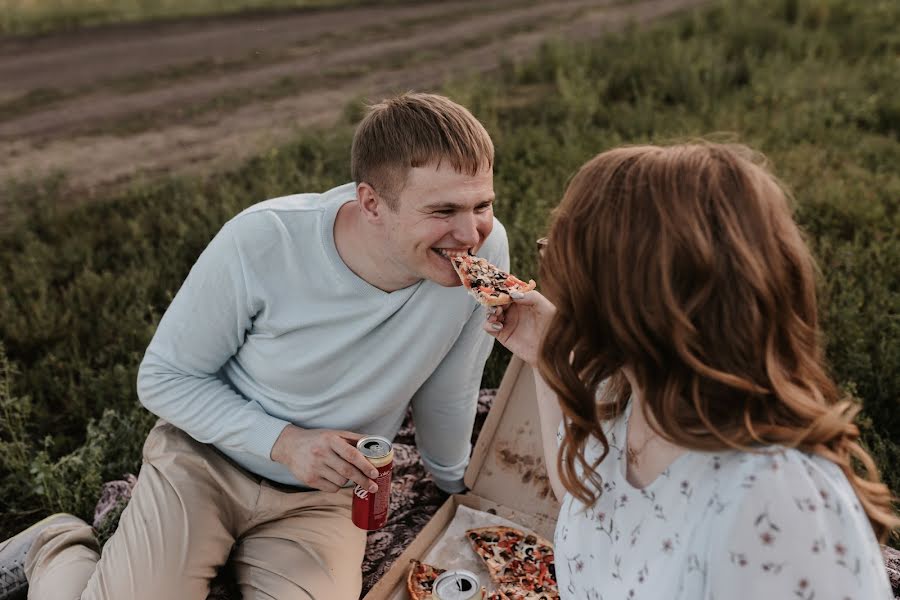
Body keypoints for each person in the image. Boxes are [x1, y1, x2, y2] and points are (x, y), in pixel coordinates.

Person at [0, 92, 508, 600]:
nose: (469, 232)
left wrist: (454, 489)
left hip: (325, 497)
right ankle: (54, 544)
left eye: (481, 204)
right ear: (371, 202)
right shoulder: (263, 241)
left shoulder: (483, 250)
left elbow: (452, 386)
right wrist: (285, 442)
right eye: (442, 210)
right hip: (205, 461)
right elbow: (163, 378)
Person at [485, 142, 897, 599]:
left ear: (638, 302)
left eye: (566, 262)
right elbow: (592, 513)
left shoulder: (774, 502)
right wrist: (547, 355)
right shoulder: (633, 392)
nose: (557, 281)